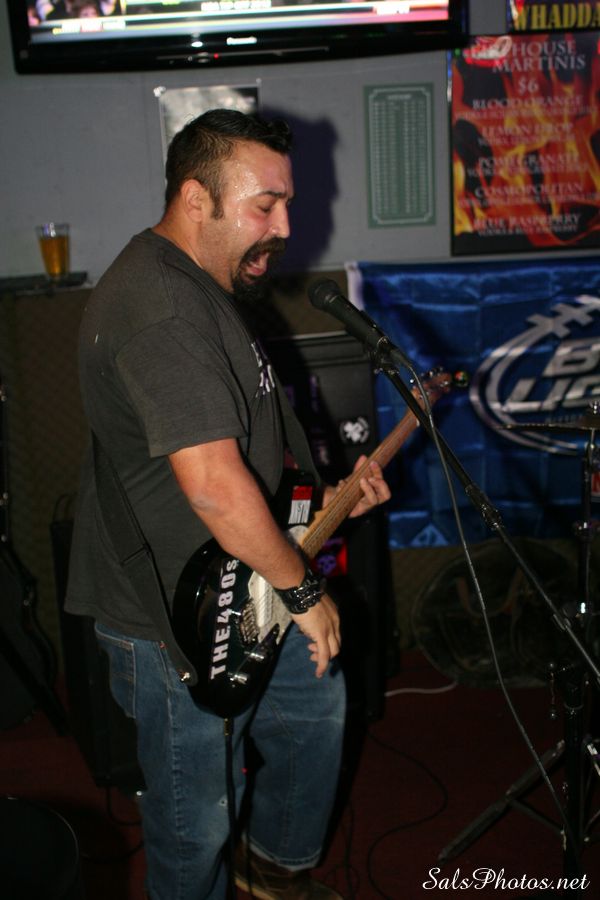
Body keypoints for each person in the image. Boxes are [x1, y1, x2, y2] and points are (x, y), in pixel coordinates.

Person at [65, 108, 390, 900]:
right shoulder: (163, 306)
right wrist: (303, 590)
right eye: (264, 205)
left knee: (313, 714)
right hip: (173, 620)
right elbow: (214, 485)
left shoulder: (198, 286)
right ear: (195, 198)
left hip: (247, 578)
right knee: (195, 824)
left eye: (287, 204)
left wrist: (334, 498)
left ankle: (270, 867)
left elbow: (245, 458)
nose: (285, 226)